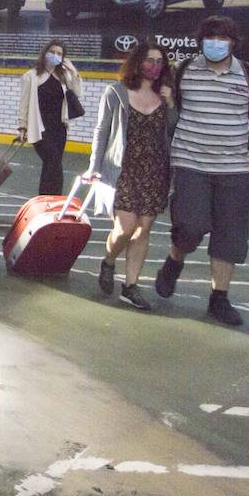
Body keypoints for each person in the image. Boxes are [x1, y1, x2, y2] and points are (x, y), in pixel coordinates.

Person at [154, 16, 249, 327]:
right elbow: (159, 103)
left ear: (234, 42)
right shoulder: (183, 71)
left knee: (230, 237)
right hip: (189, 164)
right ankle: (175, 260)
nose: (215, 44)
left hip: (234, 170)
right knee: (189, 227)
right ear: (201, 42)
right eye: (210, 38)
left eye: (222, 38)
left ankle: (219, 298)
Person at [85, 41, 176, 311]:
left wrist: (171, 102)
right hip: (123, 171)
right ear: (137, 62)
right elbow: (102, 131)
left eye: (160, 61)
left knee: (143, 229)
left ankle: (130, 286)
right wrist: (94, 166)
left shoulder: (165, 95)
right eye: (150, 60)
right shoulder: (116, 92)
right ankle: (109, 260)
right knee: (125, 229)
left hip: (156, 172)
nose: (155, 66)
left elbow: (173, 129)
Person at [17, 40, 83, 195]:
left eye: (59, 53)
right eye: (52, 52)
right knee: (53, 163)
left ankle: (48, 200)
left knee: (52, 165)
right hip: (39, 128)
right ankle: (50, 199)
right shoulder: (31, 76)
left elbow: (78, 93)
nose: (55, 55)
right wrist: (22, 126)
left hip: (59, 128)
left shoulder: (64, 76)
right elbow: (24, 103)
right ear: (45, 53)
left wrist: (73, 71)